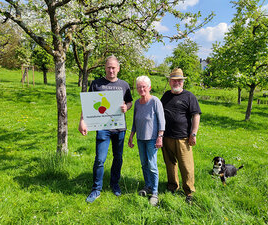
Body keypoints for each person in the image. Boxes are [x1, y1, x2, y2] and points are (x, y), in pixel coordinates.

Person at [78, 55, 133, 203]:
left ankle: (115, 184)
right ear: (105, 68)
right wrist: (82, 121)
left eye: (114, 67)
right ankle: (96, 189)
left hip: (119, 128)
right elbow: (88, 105)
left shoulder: (124, 85)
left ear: (118, 69)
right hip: (102, 128)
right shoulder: (96, 84)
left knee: (118, 157)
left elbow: (130, 102)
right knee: (100, 159)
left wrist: (126, 107)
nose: (111, 70)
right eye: (109, 67)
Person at [160, 68, 201, 204]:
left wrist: (193, 134)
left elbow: (196, 115)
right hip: (166, 137)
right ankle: (173, 186)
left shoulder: (189, 96)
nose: (176, 82)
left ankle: (189, 192)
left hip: (183, 138)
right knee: (170, 164)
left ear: (182, 82)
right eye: (174, 80)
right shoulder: (165, 96)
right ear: (170, 82)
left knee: (186, 166)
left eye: (179, 80)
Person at [128, 75, 165, 206]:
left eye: (143, 86)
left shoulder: (155, 101)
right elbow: (135, 122)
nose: (141, 89)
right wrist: (131, 135)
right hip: (140, 139)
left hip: (152, 139)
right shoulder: (137, 103)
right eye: (139, 87)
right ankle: (147, 186)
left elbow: (162, 121)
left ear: (149, 87)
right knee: (144, 164)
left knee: (152, 165)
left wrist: (160, 137)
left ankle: (154, 192)